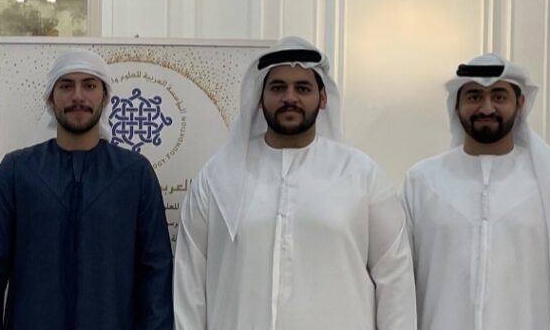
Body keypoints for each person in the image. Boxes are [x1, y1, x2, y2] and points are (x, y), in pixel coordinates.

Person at [174, 36, 415, 330]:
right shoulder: (216, 177)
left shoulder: (361, 175)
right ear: (259, 97)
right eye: (278, 88)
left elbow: (394, 277)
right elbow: (190, 280)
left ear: (323, 98)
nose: (290, 98)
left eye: (303, 88)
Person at [0, 48, 172, 330]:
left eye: (89, 86)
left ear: (105, 97)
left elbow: (156, 272)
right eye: (66, 86)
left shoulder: (135, 174)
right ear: (50, 97)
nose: (78, 96)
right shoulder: (17, 171)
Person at [403, 53, 550, 329]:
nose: (487, 107)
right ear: (457, 105)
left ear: (520, 103)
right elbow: (399, 282)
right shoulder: (422, 181)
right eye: (474, 96)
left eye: (499, 96)